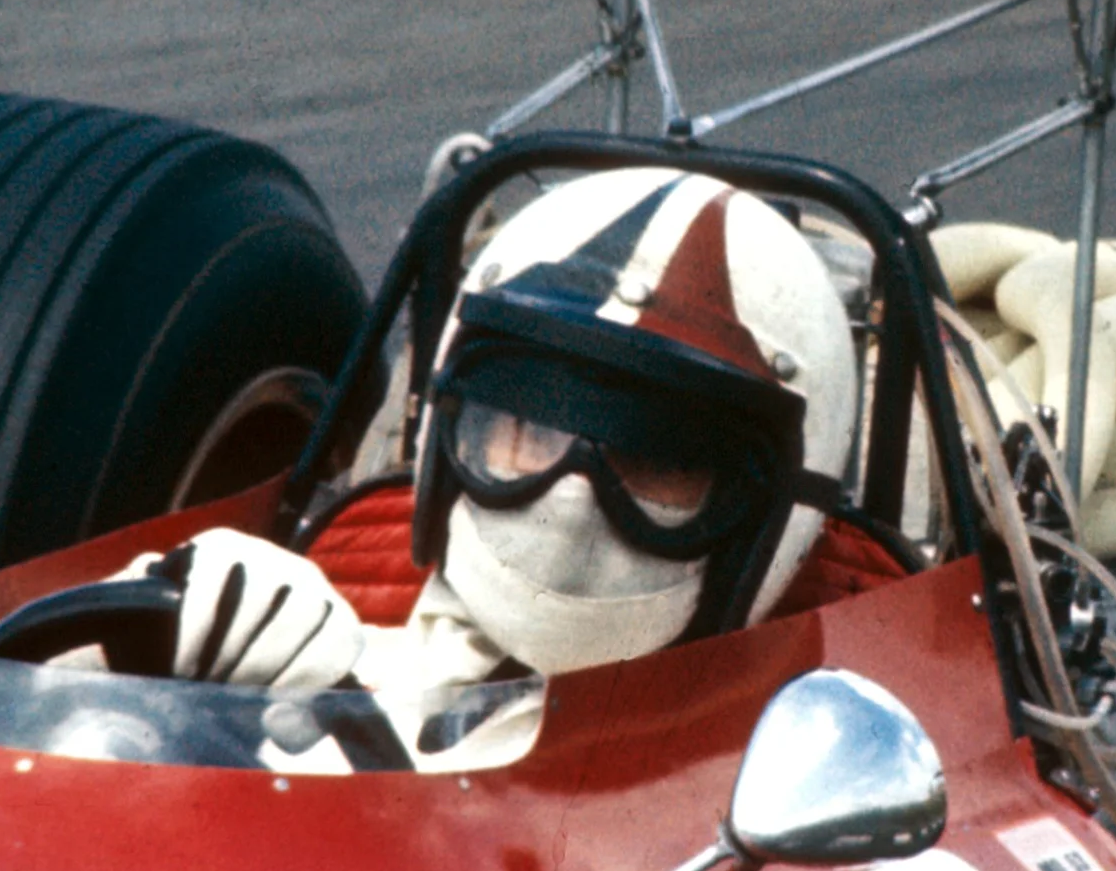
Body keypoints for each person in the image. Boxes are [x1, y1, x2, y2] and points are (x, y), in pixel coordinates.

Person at [137, 166, 861, 700]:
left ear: (769, 513)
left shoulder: (819, 763)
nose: (572, 502)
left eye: (654, 459)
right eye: (530, 431)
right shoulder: (307, 634)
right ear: (449, 437)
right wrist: (147, 633)